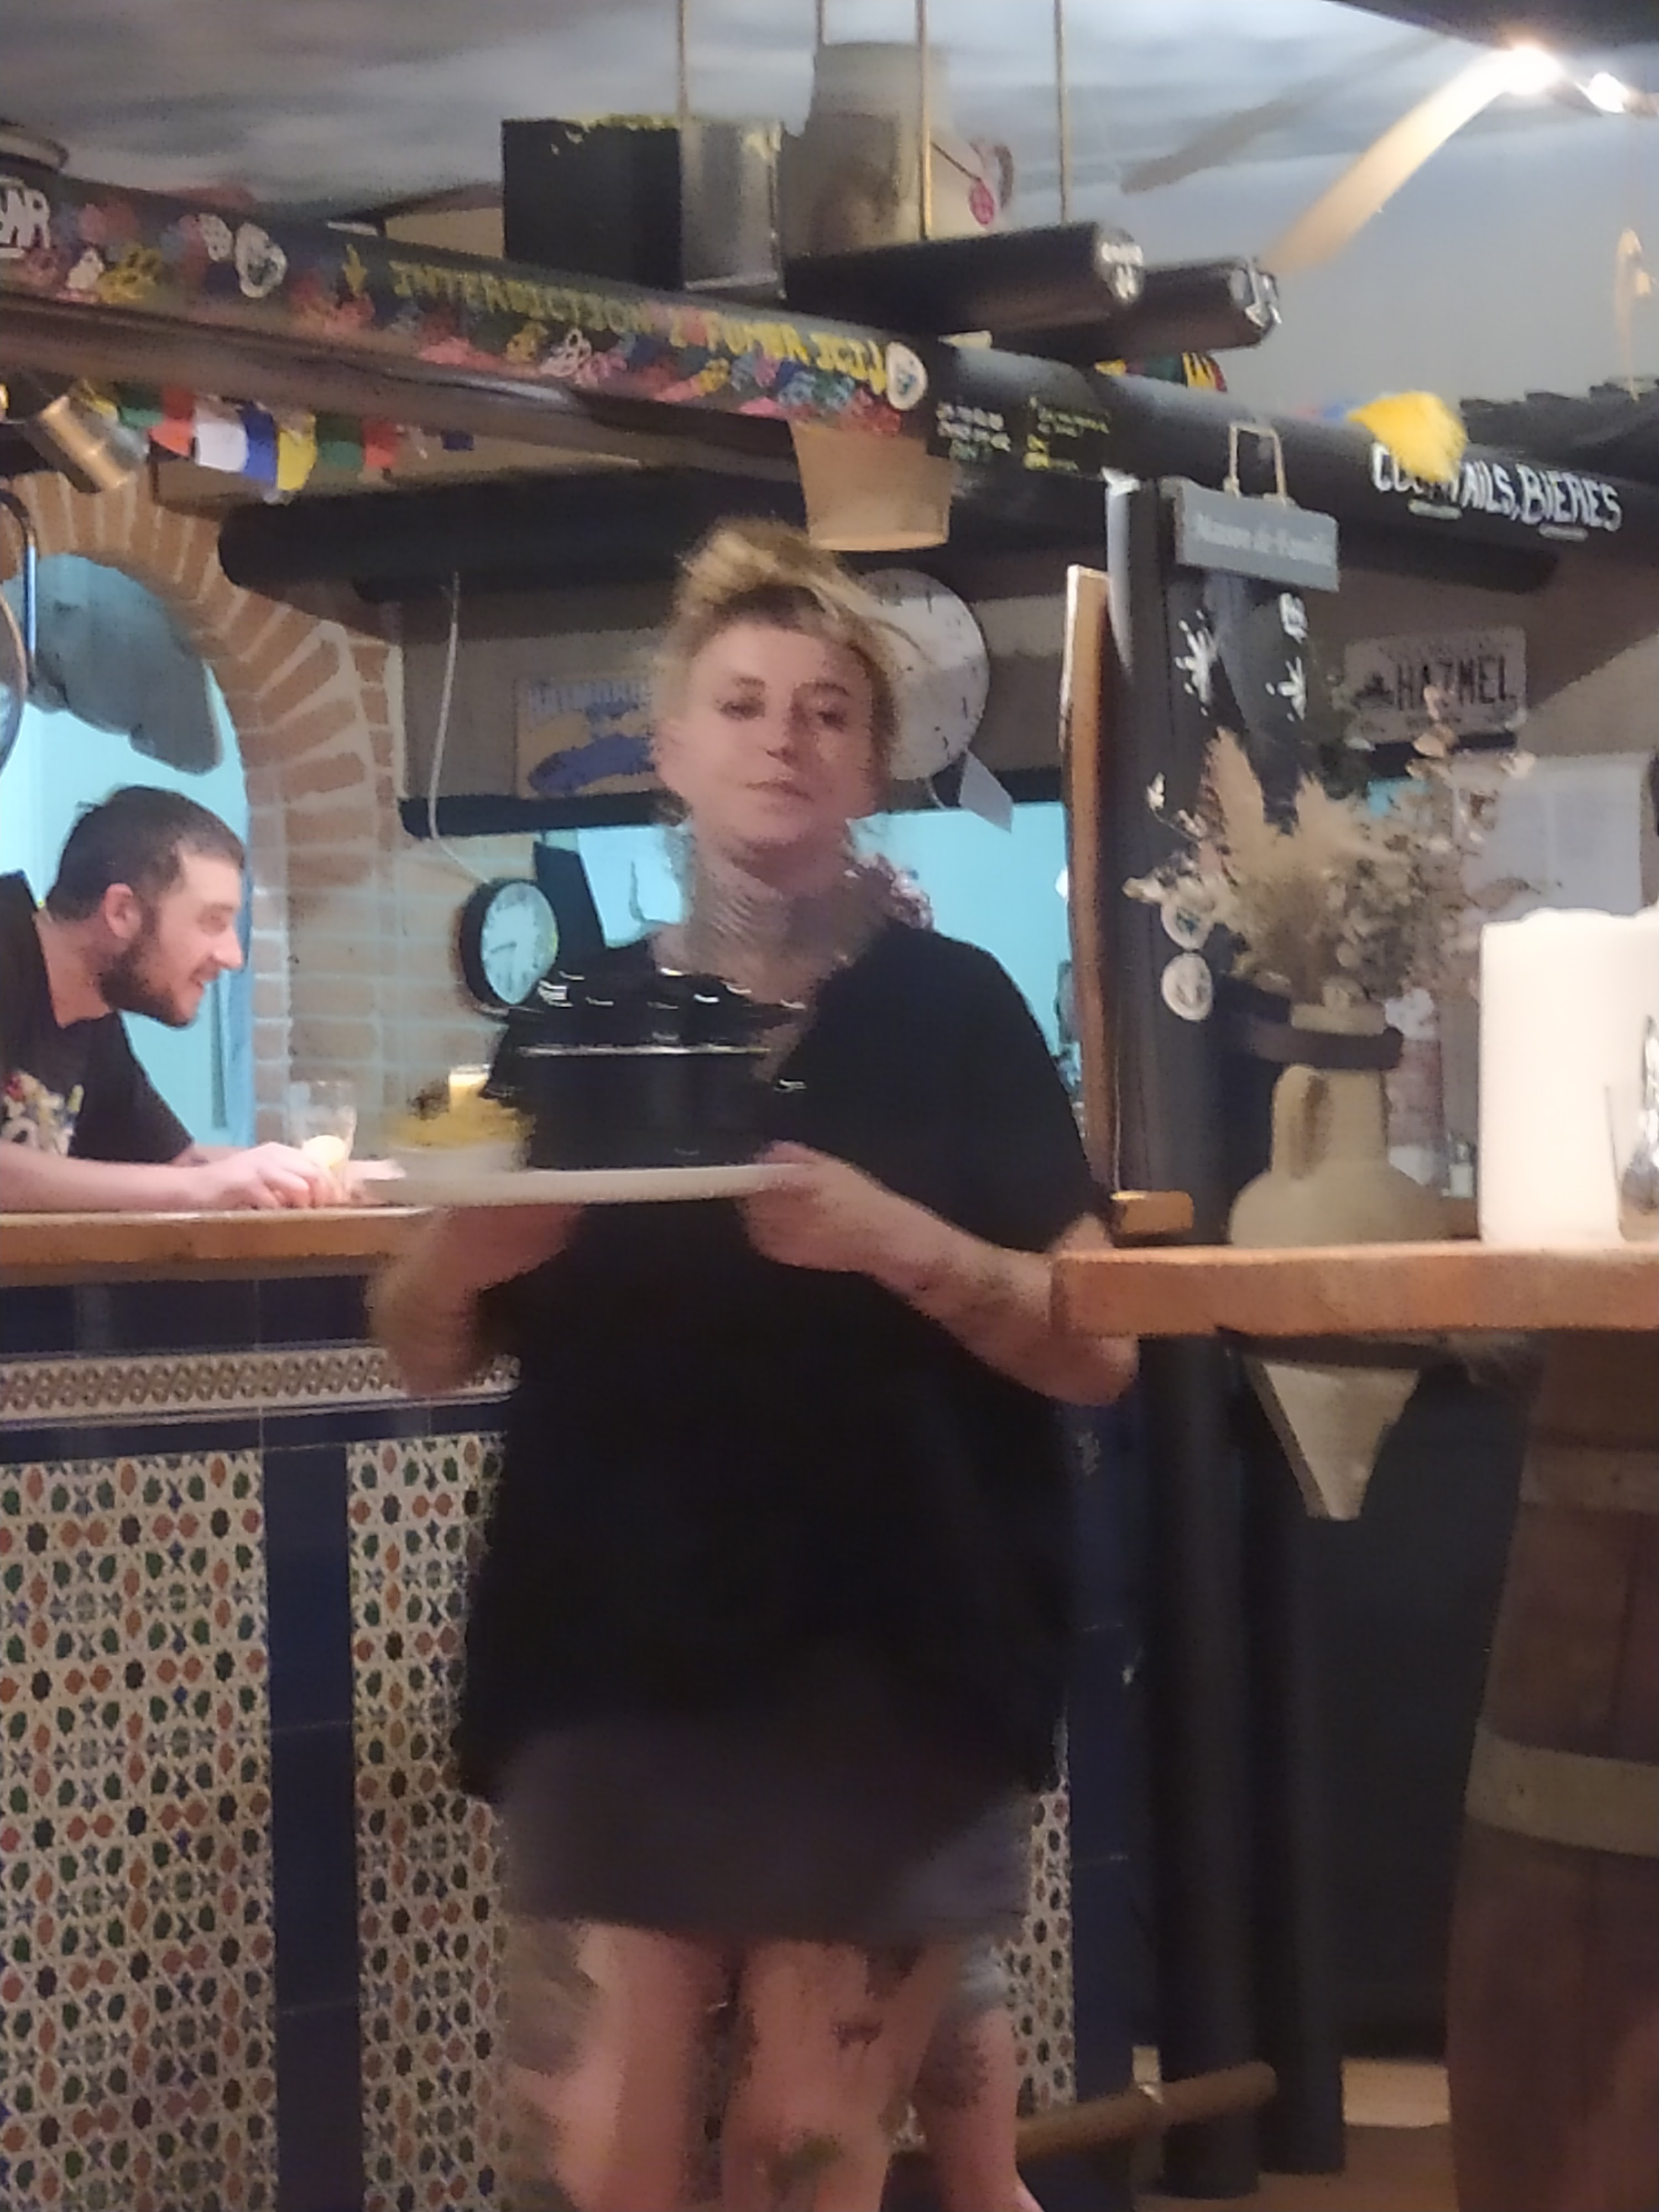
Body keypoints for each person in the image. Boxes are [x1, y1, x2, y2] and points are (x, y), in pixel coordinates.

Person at [373, 519, 1136, 2212]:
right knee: (600, 2162)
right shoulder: (575, 1019)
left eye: (824, 710)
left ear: (869, 764)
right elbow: (422, 1343)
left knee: (801, 2151)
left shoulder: (954, 1012)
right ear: (669, 747)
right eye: (741, 703)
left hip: (896, 1660)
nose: (782, 737)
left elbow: (1102, 1348)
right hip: (604, 1653)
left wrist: (904, 1244)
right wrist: (457, 1260)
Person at [0, 785, 338, 1211]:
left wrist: (324, 1175)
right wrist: (203, 1187)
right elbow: (193, 1182)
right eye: (213, 921)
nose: (233, 956)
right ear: (121, 912)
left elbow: (176, 1165)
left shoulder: (93, 1012)